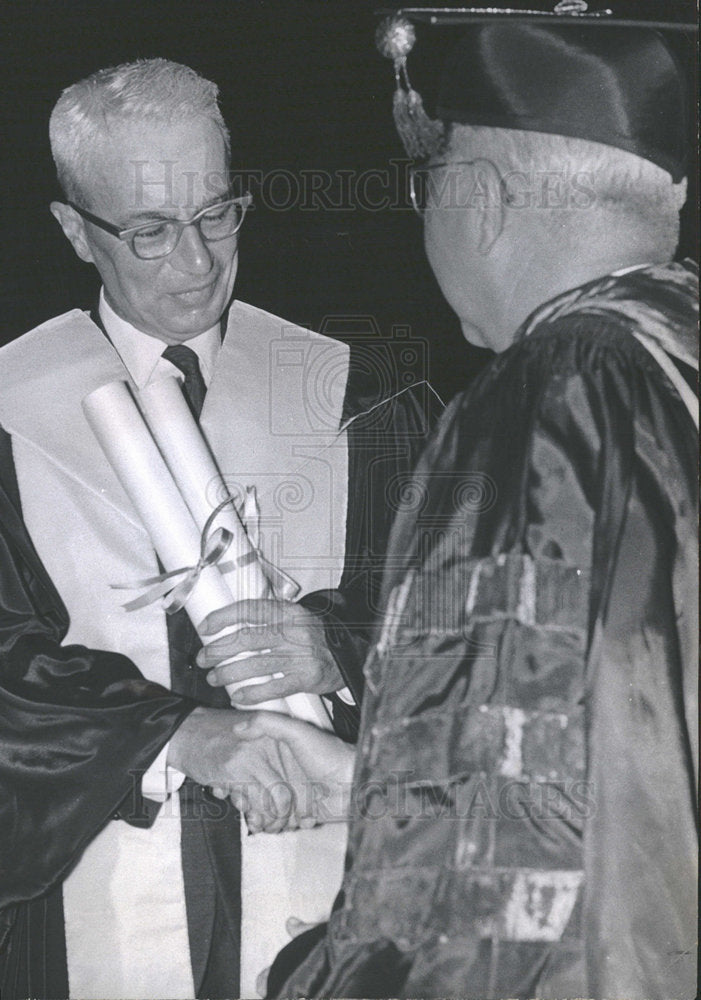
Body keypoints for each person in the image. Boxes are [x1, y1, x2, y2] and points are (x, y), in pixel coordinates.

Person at [238, 9, 698, 999]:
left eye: (425, 185)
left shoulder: (548, 400)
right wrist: (369, 779)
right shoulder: (674, 361)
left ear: (479, 197)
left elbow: (482, 893)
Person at [0, 58, 436, 999]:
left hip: (334, 908)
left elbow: (461, 622)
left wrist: (342, 647)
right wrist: (173, 738)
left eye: (216, 214)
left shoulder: (363, 397)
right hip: (89, 908)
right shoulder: (9, 411)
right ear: (75, 231)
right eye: (151, 231)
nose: (197, 264)